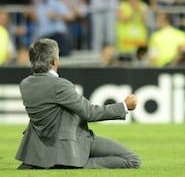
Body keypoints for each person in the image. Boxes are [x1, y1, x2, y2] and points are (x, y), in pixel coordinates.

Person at [16, 38, 141, 169]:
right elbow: (89, 112)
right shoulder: (60, 85)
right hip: (72, 144)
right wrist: (124, 106)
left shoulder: (25, 84)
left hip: (41, 149)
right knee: (133, 160)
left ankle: (54, 163)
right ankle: (77, 165)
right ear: (54, 61)